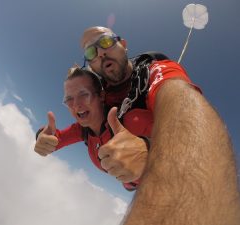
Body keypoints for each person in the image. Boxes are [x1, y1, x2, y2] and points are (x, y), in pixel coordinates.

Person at [79, 26, 240, 224]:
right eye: (90, 52)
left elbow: (181, 100)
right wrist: (51, 139)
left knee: (136, 120)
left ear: (123, 44)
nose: (101, 52)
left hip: (153, 167)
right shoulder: (96, 96)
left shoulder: (157, 69)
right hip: (125, 178)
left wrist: (150, 148)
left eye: (105, 42)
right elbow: (81, 129)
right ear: (90, 64)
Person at [34, 66, 153, 191]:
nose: (76, 105)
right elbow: (56, 139)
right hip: (130, 184)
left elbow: (173, 144)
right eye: (69, 99)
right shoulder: (83, 130)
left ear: (101, 96)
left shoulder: (132, 121)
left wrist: (148, 150)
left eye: (84, 94)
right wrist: (42, 137)